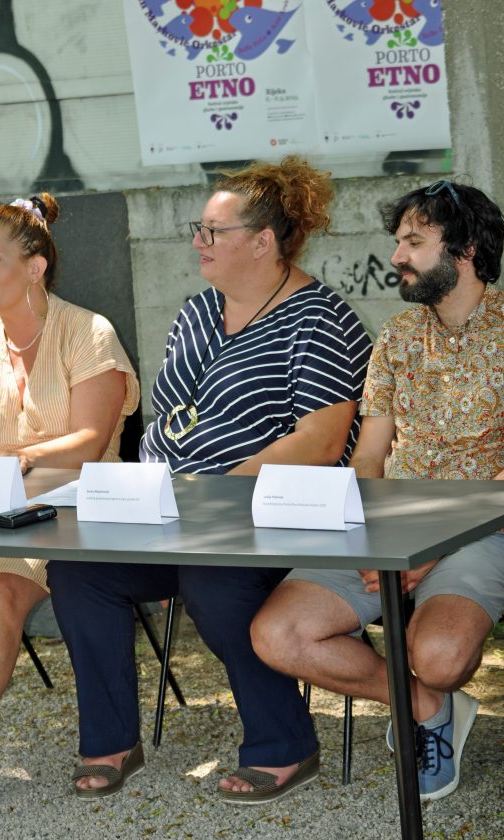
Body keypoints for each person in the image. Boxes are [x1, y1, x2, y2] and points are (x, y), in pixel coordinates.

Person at [48, 156, 372, 804]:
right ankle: (111, 740)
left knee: (213, 581)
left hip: (264, 521)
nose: (198, 241)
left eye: (213, 231)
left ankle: (284, 744)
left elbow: (322, 440)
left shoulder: (321, 319)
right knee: (78, 570)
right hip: (172, 514)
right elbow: (172, 417)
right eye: (198, 229)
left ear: (263, 241)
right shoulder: (197, 311)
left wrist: (217, 493)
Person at [251, 179, 504, 802]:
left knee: (440, 656)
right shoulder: (395, 337)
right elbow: (368, 456)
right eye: (398, 242)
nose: (397, 256)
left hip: (484, 527)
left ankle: (435, 687)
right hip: (392, 527)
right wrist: (374, 535)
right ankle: (425, 708)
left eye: (414, 242)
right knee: (277, 635)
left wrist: (427, 552)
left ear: (466, 250)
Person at [0, 193, 139, 819]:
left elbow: (89, 443)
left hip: (68, 515)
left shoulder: (88, 332)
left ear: (35, 267)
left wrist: (18, 456)